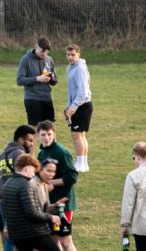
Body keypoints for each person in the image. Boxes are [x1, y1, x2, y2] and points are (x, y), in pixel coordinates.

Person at [0, 154, 63, 251]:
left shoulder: (8, 184)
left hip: (17, 233)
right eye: (33, 171)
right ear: (27, 168)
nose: (33, 174)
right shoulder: (25, 185)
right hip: (33, 231)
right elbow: (31, 212)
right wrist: (51, 217)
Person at [37, 120, 82, 251]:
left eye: (49, 134)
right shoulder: (42, 152)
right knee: (53, 240)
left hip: (64, 205)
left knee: (66, 240)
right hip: (49, 206)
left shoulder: (62, 152)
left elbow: (72, 177)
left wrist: (51, 182)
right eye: (43, 135)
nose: (46, 137)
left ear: (54, 134)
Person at [16, 37, 58, 127]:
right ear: (36, 47)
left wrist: (51, 78)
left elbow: (55, 81)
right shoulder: (25, 59)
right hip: (32, 99)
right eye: (42, 51)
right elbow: (19, 80)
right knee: (34, 130)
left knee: (50, 129)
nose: (44, 54)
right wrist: (38, 79)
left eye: (47, 52)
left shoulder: (49, 60)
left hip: (47, 98)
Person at [64, 44, 93, 173]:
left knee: (77, 135)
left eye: (73, 55)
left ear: (78, 54)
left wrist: (74, 107)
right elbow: (72, 90)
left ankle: (81, 164)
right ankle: (83, 163)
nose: (70, 57)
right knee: (81, 135)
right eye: (68, 55)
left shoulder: (80, 69)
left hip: (82, 106)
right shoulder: (71, 68)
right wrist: (68, 105)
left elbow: (82, 92)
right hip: (78, 105)